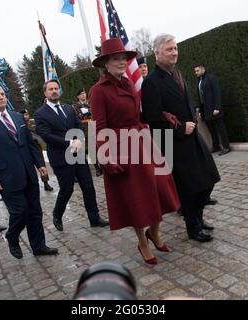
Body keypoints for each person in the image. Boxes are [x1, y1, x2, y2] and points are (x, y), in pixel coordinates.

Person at [90, 38, 180, 265]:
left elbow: (139, 115)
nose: (121, 62)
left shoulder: (129, 83)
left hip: (143, 141)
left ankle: (155, 232)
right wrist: (105, 157)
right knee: (138, 198)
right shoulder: (98, 91)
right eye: (116, 59)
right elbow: (99, 128)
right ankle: (143, 241)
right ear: (106, 64)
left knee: (163, 189)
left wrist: (162, 116)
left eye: (123, 58)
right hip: (122, 147)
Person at [141, 34, 221, 242]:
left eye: (175, 48)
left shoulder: (178, 73)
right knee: (189, 187)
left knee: (209, 178)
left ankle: (197, 217)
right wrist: (179, 129)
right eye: (169, 49)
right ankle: (193, 228)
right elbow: (152, 118)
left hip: (192, 136)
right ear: (157, 53)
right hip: (173, 142)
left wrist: (193, 119)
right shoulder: (151, 82)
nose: (174, 52)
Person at [0, 84, 58, 259]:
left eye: (3, 94)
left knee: (35, 212)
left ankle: (39, 246)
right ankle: (12, 236)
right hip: (6, 178)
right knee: (20, 212)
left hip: (28, 173)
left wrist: (39, 164)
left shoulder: (17, 117)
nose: (1, 97)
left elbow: (30, 143)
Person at [34, 80, 109, 232]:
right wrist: (69, 142)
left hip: (78, 153)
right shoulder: (40, 113)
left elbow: (79, 125)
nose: (54, 91)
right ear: (45, 93)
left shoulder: (68, 108)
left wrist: (79, 139)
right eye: (51, 89)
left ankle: (94, 218)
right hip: (60, 157)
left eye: (56, 88)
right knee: (66, 189)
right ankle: (57, 214)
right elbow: (46, 135)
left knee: (88, 187)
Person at [194, 64, 230, 156]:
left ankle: (226, 147)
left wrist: (217, 107)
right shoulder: (199, 81)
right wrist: (201, 112)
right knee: (212, 130)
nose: (196, 73)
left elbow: (217, 92)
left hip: (214, 110)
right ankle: (216, 146)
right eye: (195, 71)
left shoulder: (211, 78)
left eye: (197, 71)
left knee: (221, 129)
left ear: (203, 69)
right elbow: (200, 98)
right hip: (206, 111)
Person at [19, 109, 54, 192]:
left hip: (37, 146)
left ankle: (46, 183)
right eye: (24, 115)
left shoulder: (32, 122)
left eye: (27, 114)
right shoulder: (19, 123)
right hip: (26, 148)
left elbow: (39, 131)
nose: (26, 116)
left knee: (41, 164)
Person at [72, 88, 102, 177]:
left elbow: (94, 112)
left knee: (99, 146)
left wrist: (87, 112)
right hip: (85, 128)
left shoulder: (91, 103)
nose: (83, 95)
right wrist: (86, 113)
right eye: (81, 94)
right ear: (78, 96)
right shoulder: (75, 106)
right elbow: (79, 116)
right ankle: (97, 168)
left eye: (84, 93)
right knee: (91, 148)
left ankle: (103, 166)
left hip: (95, 125)